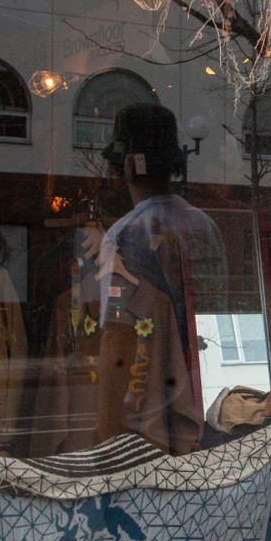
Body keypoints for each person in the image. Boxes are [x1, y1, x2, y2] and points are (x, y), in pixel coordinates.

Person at [92, 103, 227, 453]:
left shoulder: (126, 234)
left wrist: (104, 435)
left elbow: (118, 341)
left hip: (147, 409)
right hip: (207, 397)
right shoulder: (206, 226)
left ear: (125, 165)